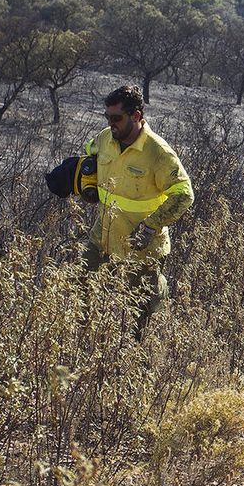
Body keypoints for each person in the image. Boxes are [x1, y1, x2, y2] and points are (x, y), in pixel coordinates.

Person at [82, 85, 194, 338]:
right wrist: (80, 177)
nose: (111, 124)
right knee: (80, 281)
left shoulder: (158, 152)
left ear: (136, 116)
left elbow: (184, 193)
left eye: (117, 118)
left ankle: (156, 299)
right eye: (107, 118)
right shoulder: (105, 138)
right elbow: (88, 153)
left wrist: (152, 225)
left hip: (142, 246)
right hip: (104, 235)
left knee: (137, 314)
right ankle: (85, 341)